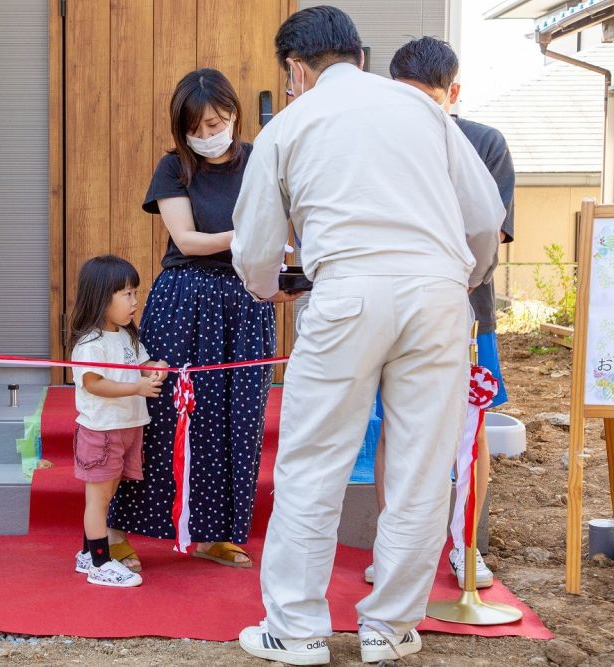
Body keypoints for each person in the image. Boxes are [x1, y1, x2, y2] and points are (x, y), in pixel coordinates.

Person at [231, 7, 503, 665]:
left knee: (313, 458)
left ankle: (296, 631)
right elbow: (484, 220)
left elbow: (256, 248)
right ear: (358, 54)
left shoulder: (289, 125)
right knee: (419, 466)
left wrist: (271, 284)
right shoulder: (425, 111)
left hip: (347, 291)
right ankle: (390, 627)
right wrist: (454, 280)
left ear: (297, 69)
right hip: (439, 293)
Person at [106, 69, 277, 571]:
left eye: (216, 123)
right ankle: (115, 533)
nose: (206, 135)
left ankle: (216, 533)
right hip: (186, 299)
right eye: (195, 128)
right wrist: (250, 234)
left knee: (238, 422)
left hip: (247, 304)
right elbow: (187, 240)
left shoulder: (260, 162)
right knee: (159, 417)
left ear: (234, 114)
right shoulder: (173, 167)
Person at [361, 36, 517, 591]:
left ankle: (465, 546)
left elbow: (492, 232)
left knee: (468, 429)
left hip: (466, 308)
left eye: (428, 100)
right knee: (390, 426)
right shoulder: (373, 141)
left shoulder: (483, 142)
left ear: (453, 93)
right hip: (390, 308)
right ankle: (391, 547)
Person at [68, 256, 169, 588]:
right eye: (126, 294)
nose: (134, 301)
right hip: (102, 432)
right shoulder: (90, 344)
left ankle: (88, 553)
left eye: (134, 293)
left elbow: (140, 365)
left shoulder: (126, 336)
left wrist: (155, 367)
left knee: (108, 494)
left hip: (128, 428)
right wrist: (137, 387)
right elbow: (93, 384)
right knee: (98, 498)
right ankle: (99, 563)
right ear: (101, 296)